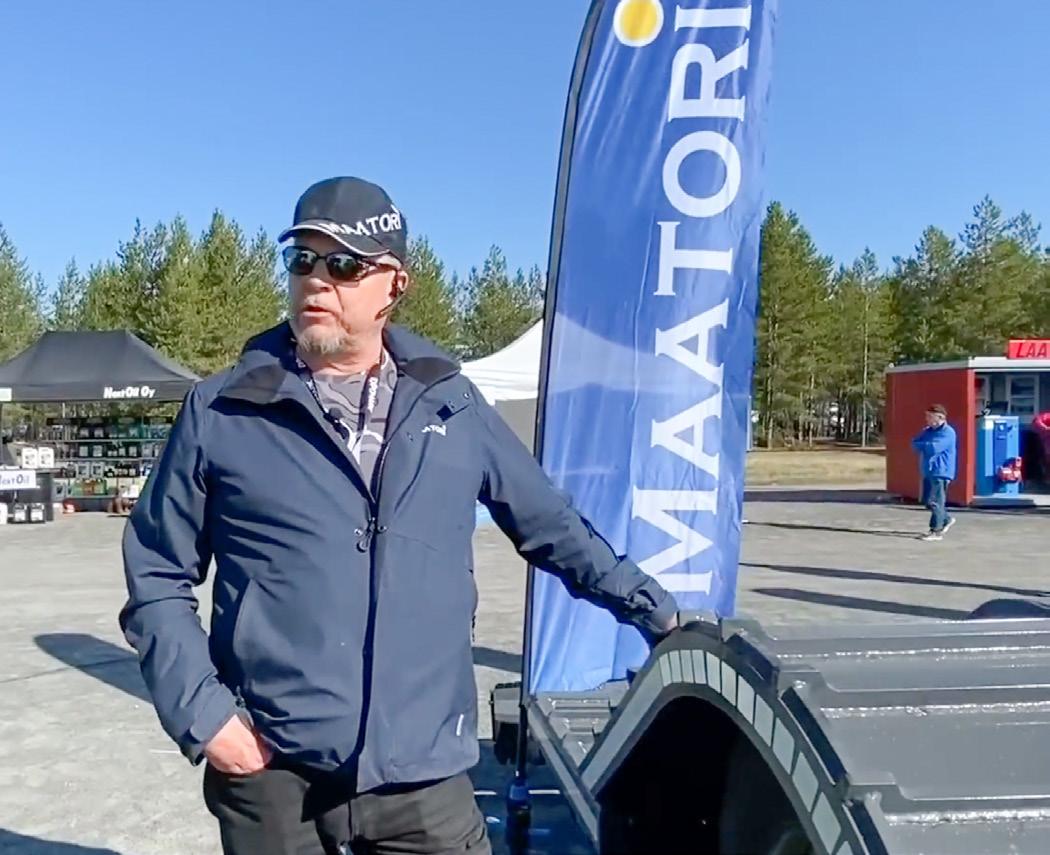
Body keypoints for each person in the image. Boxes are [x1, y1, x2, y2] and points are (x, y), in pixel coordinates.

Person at [119, 176, 679, 855]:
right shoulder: (224, 409)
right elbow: (156, 572)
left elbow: (553, 526)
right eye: (302, 260)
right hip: (275, 778)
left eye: (343, 265)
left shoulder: (451, 403)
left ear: (394, 285)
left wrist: (658, 612)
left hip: (423, 774)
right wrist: (205, 714)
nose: (316, 280)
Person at [911, 403, 957, 541]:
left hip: (941, 471)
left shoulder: (948, 432)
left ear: (940, 417)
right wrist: (924, 445)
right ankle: (946, 519)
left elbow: (934, 448)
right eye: (927, 416)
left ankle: (936, 531)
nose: (927, 419)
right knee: (927, 501)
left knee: (936, 501)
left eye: (930, 416)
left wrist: (923, 445)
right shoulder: (927, 431)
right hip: (928, 470)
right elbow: (914, 443)